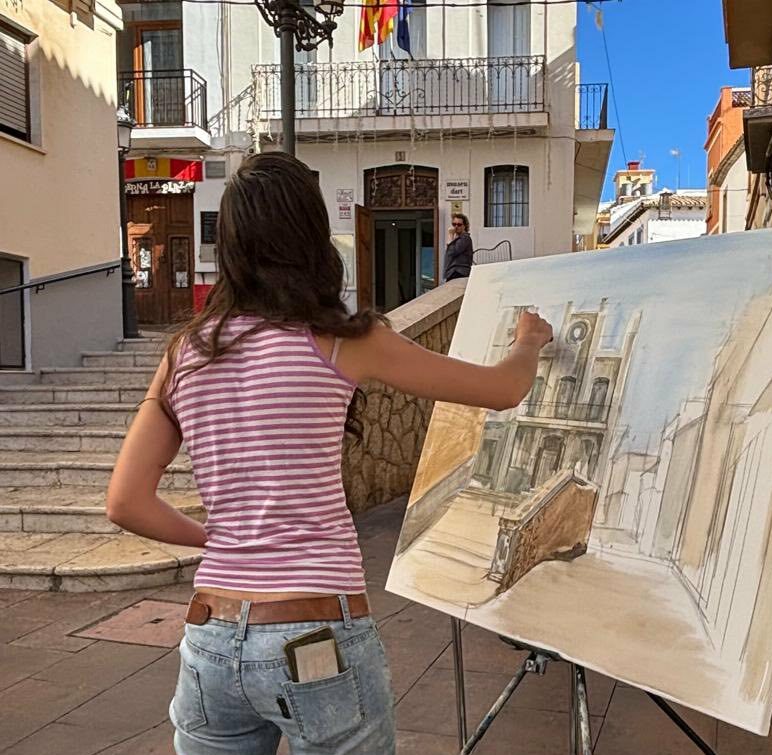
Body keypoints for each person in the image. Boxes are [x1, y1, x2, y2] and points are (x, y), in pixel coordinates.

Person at [105, 152, 553, 755]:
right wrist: (528, 343)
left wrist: (227, 542)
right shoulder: (345, 342)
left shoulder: (186, 353)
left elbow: (126, 503)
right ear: (312, 237)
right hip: (315, 633)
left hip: (210, 634)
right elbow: (502, 390)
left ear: (230, 245)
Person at [443, 212, 474, 281]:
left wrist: (450, 236)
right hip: (453, 272)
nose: (456, 226)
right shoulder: (458, 238)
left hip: (458, 272)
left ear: (464, 226)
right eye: (454, 224)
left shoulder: (465, 238)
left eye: (459, 224)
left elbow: (453, 252)